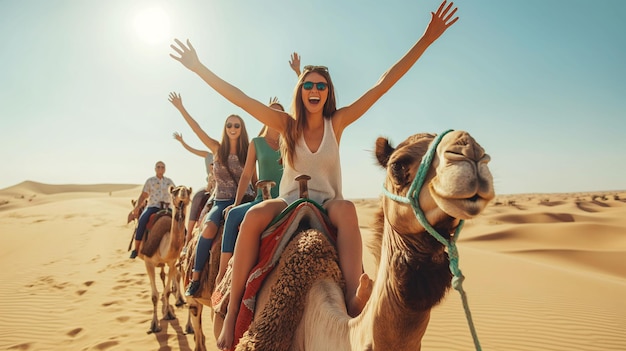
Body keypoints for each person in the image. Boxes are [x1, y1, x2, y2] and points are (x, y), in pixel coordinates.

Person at [170, 1, 458, 348]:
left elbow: (382, 85)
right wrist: (199, 68)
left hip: (327, 204)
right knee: (250, 217)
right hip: (289, 202)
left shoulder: (337, 123)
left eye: (321, 86)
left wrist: (425, 40)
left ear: (328, 92)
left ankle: (354, 295)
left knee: (347, 209)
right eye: (308, 85)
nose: (315, 91)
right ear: (300, 91)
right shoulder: (285, 125)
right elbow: (243, 99)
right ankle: (232, 313)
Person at [168, 92, 253, 297]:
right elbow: (197, 129)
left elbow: (254, 177)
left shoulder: (249, 150)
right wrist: (181, 108)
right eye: (229, 125)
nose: (233, 128)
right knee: (208, 228)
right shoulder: (216, 148)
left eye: (237, 125)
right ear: (225, 129)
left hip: (246, 200)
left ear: (242, 129)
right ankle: (196, 278)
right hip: (222, 200)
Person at [216, 98, 285, 285]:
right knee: (232, 217)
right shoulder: (256, 142)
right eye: (270, 112)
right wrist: (236, 204)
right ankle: (222, 274)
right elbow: (246, 175)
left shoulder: (291, 142)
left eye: (279, 113)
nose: (275, 116)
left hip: (287, 200)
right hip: (262, 200)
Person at [172, 131, 215, 241]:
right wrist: (182, 142)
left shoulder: (227, 155)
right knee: (197, 197)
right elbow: (192, 150)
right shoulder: (208, 155)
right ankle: (188, 235)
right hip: (210, 187)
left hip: (225, 187)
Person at [129, 161, 176, 259]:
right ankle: (136, 249)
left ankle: (185, 247)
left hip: (167, 208)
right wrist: (137, 207)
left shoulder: (169, 182)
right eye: (158, 167)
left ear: (165, 169)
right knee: (142, 221)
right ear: (155, 169)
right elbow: (144, 195)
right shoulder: (150, 181)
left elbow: (175, 194)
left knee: (180, 224)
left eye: (162, 167)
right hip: (153, 207)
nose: (160, 169)